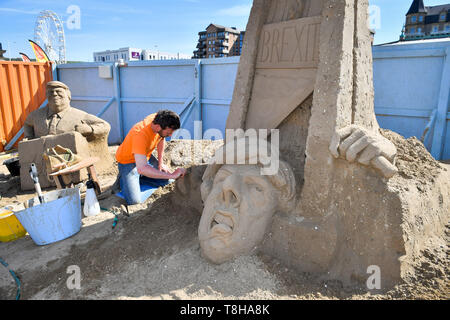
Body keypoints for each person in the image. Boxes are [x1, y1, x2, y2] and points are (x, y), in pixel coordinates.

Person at [115, 110, 186, 205]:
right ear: (158, 127)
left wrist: (160, 163)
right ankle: (123, 179)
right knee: (134, 201)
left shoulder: (158, 119)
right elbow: (142, 168)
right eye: (169, 132)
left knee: (168, 181)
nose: (170, 135)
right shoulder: (139, 134)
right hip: (127, 162)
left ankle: (140, 178)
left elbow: (161, 138)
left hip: (144, 155)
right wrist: (171, 175)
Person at [24, 81, 110, 141]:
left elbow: (105, 126)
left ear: (68, 96)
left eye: (58, 91)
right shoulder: (36, 115)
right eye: (50, 92)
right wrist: (29, 137)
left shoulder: (80, 116)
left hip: (70, 158)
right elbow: (28, 123)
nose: (54, 94)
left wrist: (90, 129)